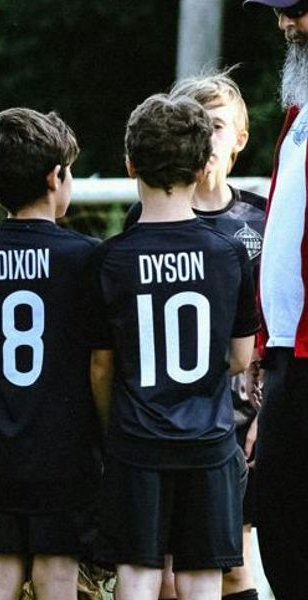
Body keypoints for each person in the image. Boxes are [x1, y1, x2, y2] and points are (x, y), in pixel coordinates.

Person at [88, 93, 259, 600]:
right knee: (203, 578)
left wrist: (112, 428)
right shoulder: (229, 255)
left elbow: (101, 367)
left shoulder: (110, 258)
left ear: (130, 164)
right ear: (204, 162)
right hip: (209, 442)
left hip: (136, 441)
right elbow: (241, 357)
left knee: (138, 573)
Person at [0, 107, 103, 600]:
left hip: (1, 447)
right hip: (65, 451)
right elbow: (99, 359)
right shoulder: (86, 257)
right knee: (56, 576)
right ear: (55, 176)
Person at [241, 1, 308, 597]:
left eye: (299, 10)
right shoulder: (298, 113)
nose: (287, 24)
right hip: (289, 355)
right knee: (279, 527)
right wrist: (266, 342)